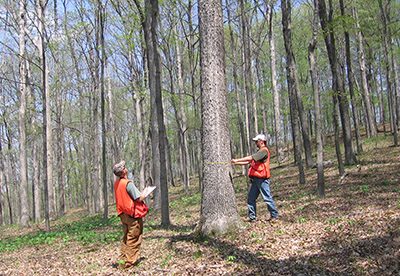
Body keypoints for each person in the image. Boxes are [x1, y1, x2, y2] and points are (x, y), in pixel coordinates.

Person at [231, 134, 278, 223]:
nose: (255, 143)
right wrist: (236, 163)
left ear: (262, 141)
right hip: (256, 179)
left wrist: (237, 160)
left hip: (262, 179)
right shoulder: (260, 152)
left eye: (257, 141)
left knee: (267, 197)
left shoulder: (263, 151)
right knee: (251, 197)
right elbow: (249, 161)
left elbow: (250, 158)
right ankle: (252, 217)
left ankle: (274, 215)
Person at [113, 160, 146, 269]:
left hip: (123, 215)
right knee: (134, 238)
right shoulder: (128, 183)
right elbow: (139, 198)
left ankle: (122, 261)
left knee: (126, 238)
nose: (126, 168)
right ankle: (128, 264)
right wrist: (146, 191)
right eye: (125, 167)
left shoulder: (117, 183)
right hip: (131, 215)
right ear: (124, 171)